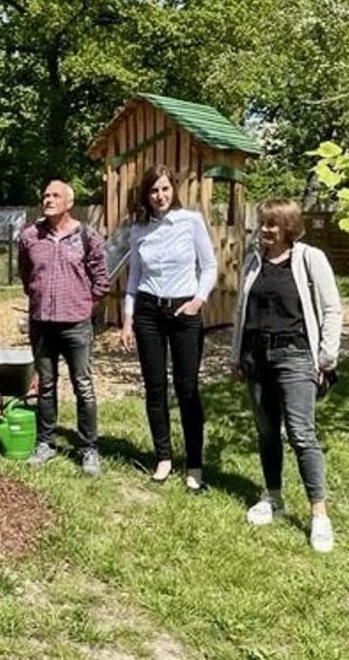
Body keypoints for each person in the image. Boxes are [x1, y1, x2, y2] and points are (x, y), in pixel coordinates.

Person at [231, 198, 342, 552]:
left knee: (301, 433)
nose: (265, 230)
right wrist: (236, 355)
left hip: (295, 355)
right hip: (256, 356)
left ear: (289, 227)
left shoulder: (309, 258)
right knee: (266, 431)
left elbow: (331, 308)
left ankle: (319, 514)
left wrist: (326, 356)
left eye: (273, 224)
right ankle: (273, 497)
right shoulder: (252, 262)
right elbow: (241, 311)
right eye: (263, 223)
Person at [119, 163, 217, 493]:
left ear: (173, 189)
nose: (160, 196)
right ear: (146, 195)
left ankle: (194, 464)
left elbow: (210, 266)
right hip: (148, 312)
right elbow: (133, 278)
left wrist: (197, 301)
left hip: (184, 313)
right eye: (153, 190)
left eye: (164, 189)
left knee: (187, 389)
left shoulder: (191, 222)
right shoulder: (139, 229)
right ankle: (163, 456)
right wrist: (128, 319)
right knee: (155, 388)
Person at [18, 179, 109, 476]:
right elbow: (26, 275)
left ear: (69, 202)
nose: (48, 199)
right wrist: (40, 301)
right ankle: (45, 443)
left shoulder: (87, 237)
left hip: (76, 325)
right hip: (42, 324)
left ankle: (89, 449)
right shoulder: (30, 236)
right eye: (45, 195)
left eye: (55, 195)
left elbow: (101, 278)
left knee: (83, 386)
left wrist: (83, 305)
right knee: (46, 385)